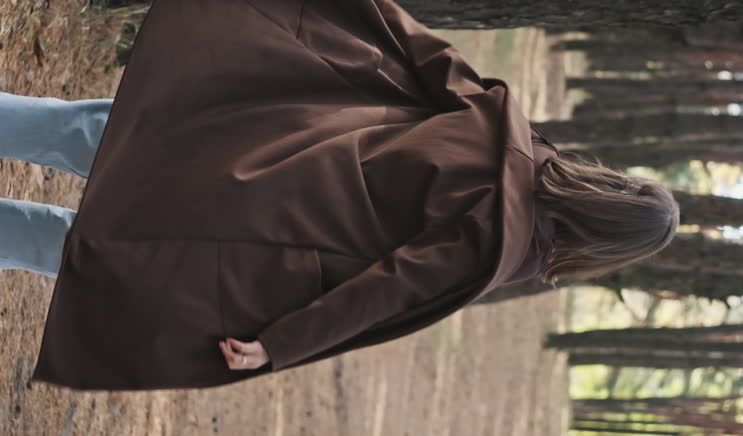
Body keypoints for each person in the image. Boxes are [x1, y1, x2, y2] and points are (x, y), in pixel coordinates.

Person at [6, 0, 679, 391]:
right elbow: (388, 289)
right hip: (255, 238)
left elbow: (419, 52)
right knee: (75, 246)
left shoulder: (513, 132)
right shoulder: (499, 246)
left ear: (609, 185)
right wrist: (283, 343)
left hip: (253, 137)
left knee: (80, 130)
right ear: (599, 246)